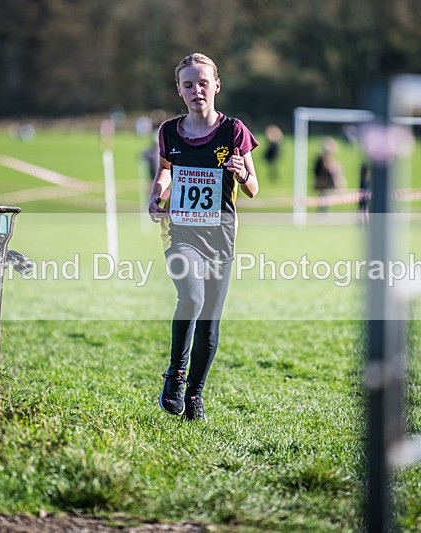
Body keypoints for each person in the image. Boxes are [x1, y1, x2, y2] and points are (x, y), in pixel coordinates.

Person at [148, 53, 259, 422]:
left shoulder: (234, 131)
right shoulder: (168, 132)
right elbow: (165, 170)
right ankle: (175, 376)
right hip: (180, 235)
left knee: (210, 324)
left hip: (221, 239)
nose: (197, 90)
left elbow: (254, 189)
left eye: (203, 83)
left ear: (216, 86)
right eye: (188, 84)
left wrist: (242, 172)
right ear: (179, 90)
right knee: (191, 297)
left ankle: (194, 396)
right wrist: (157, 193)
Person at [313, 137, 345, 212]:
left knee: (326, 197)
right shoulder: (320, 162)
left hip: (328, 183)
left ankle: (324, 211)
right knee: (323, 197)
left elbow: (337, 175)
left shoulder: (334, 164)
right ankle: (323, 211)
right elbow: (319, 174)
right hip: (324, 183)